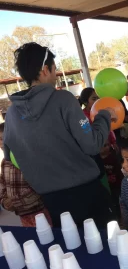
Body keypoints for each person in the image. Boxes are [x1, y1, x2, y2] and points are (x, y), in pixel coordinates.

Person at [4, 42, 117, 228]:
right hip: (87, 193)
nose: (56, 75)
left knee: (75, 251)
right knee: (110, 244)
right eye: (54, 69)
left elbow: (10, 157)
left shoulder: (13, 113)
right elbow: (92, 144)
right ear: (45, 70)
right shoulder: (63, 99)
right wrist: (104, 116)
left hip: (52, 202)